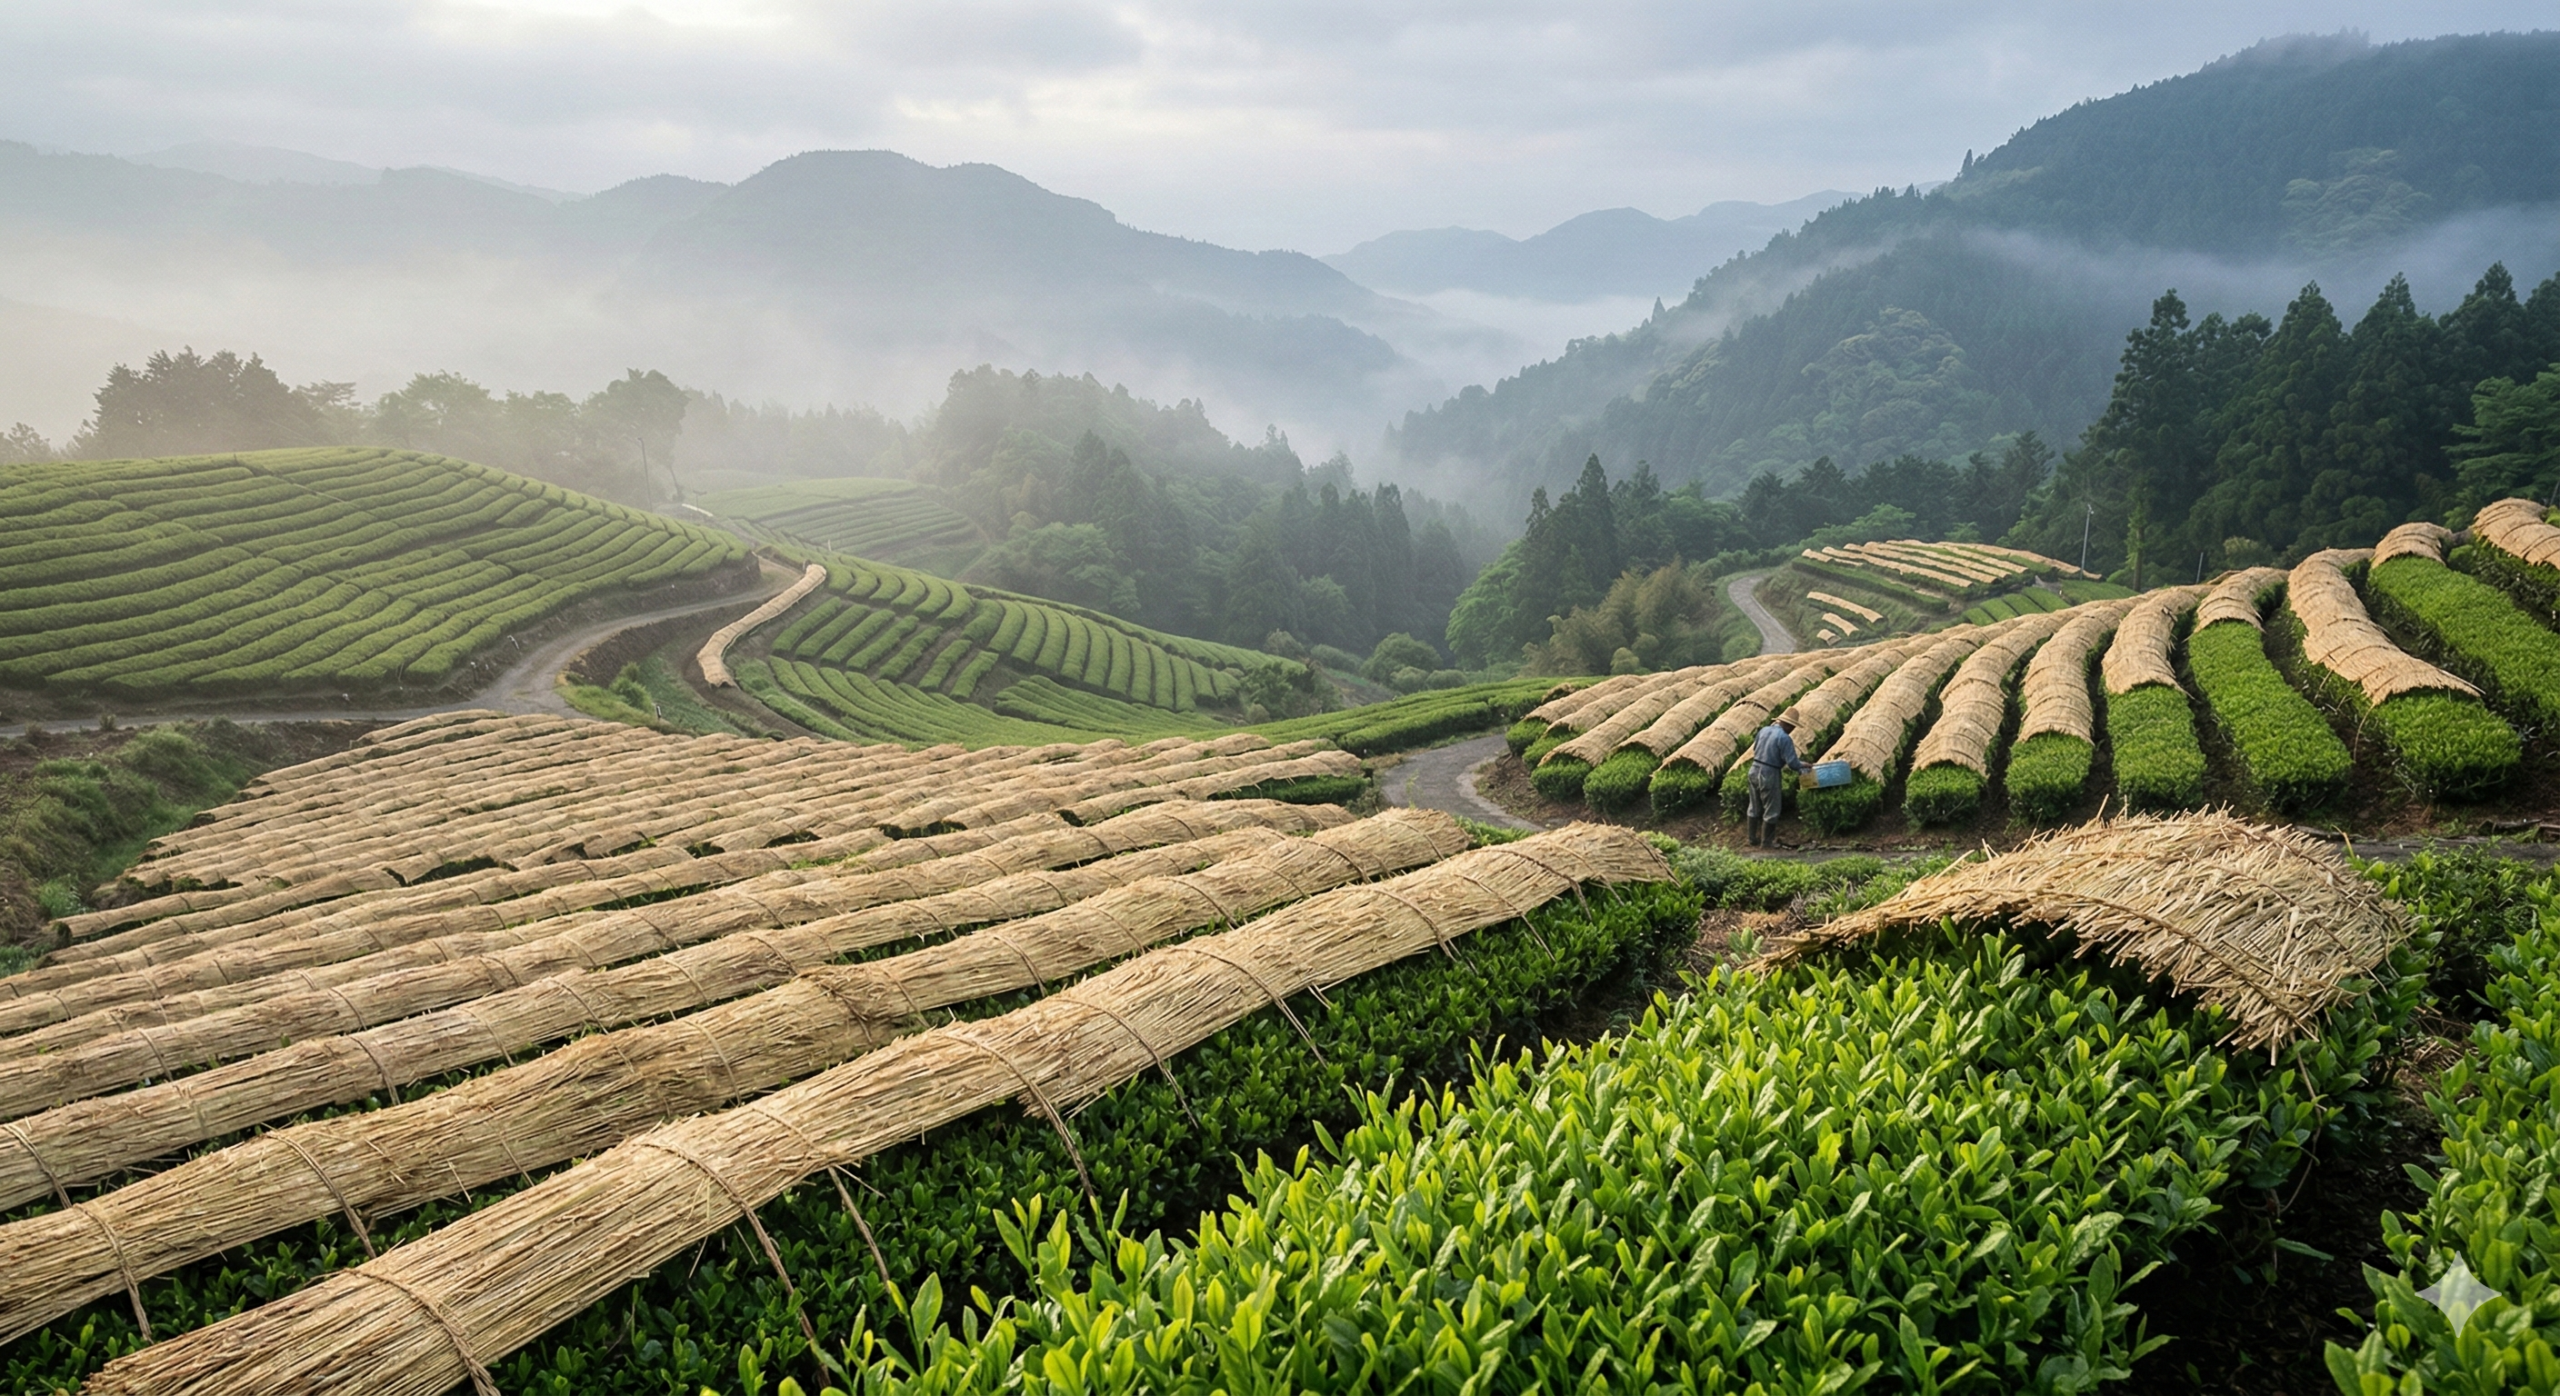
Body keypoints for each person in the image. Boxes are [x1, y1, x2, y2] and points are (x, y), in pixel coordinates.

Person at [1746, 707, 1808, 848]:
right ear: (1788, 724)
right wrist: (1804, 765)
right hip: (1769, 773)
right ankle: (1766, 843)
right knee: (1772, 809)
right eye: (1792, 727)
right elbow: (1792, 764)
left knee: (1754, 806)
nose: (1792, 730)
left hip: (1754, 769)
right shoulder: (1784, 738)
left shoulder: (1763, 730)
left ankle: (1751, 839)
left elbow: (1755, 750)